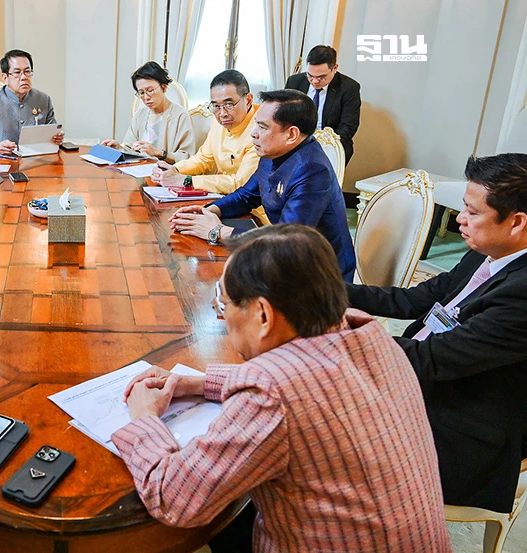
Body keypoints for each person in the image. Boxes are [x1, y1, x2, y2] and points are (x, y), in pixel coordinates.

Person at [113, 224, 451, 553]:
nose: (222, 318)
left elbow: (174, 498)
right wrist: (200, 383)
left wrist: (144, 417)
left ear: (263, 315)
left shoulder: (269, 395)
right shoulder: (369, 334)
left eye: (224, 305)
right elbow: (310, 382)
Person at [347, 153, 527, 513]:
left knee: (321, 437)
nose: (460, 219)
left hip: (464, 424)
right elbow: (416, 299)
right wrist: (322, 290)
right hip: (432, 377)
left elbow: (431, 359)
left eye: (472, 212)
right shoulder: (487, 251)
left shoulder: (521, 295)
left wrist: (334, 334)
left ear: (517, 222)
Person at [169, 89, 356, 280]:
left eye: (262, 127)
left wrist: (218, 231)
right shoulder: (274, 151)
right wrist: (209, 211)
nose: (253, 134)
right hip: (282, 257)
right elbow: (246, 196)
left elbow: (286, 242)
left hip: (319, 273)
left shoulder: (312, 169)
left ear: (291, 134)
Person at [151, 70, 261, 195]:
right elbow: (203, 159)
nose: (222, 114)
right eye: (216, 106)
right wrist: (173, 170)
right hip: (220, 196)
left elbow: (240, 183)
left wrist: (186, 180)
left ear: (248, 100)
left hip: (249, 203)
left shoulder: (261, 129)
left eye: (229, 104)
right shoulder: (218, 122)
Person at [100, 61, 196, 164]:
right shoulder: (140, 115)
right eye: (141, 93)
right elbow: (130, 149)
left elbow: (187, 157)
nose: (146, 97)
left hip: (164, 171)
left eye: (150, 90)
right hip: (138, 168)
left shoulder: (180, 115)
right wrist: (119, 148)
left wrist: (158, 153)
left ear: (164, 87)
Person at [0, 49, 64, 156]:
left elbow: (52, 131)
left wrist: (57, 138)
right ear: (5, 78)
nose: (24, 77)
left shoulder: (43, 99)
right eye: (17, 72)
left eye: (27, 71)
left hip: (36, 159)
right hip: (4, 160)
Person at [285, 45, 361, 164]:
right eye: (310, 76)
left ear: (334, 68)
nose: (315, 81)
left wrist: (321, 146)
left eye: (321, 77)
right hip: (296, 142)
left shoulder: (348, 88)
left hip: (330, 146)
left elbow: (348, 127)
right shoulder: (295, 82)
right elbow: (284, 115)